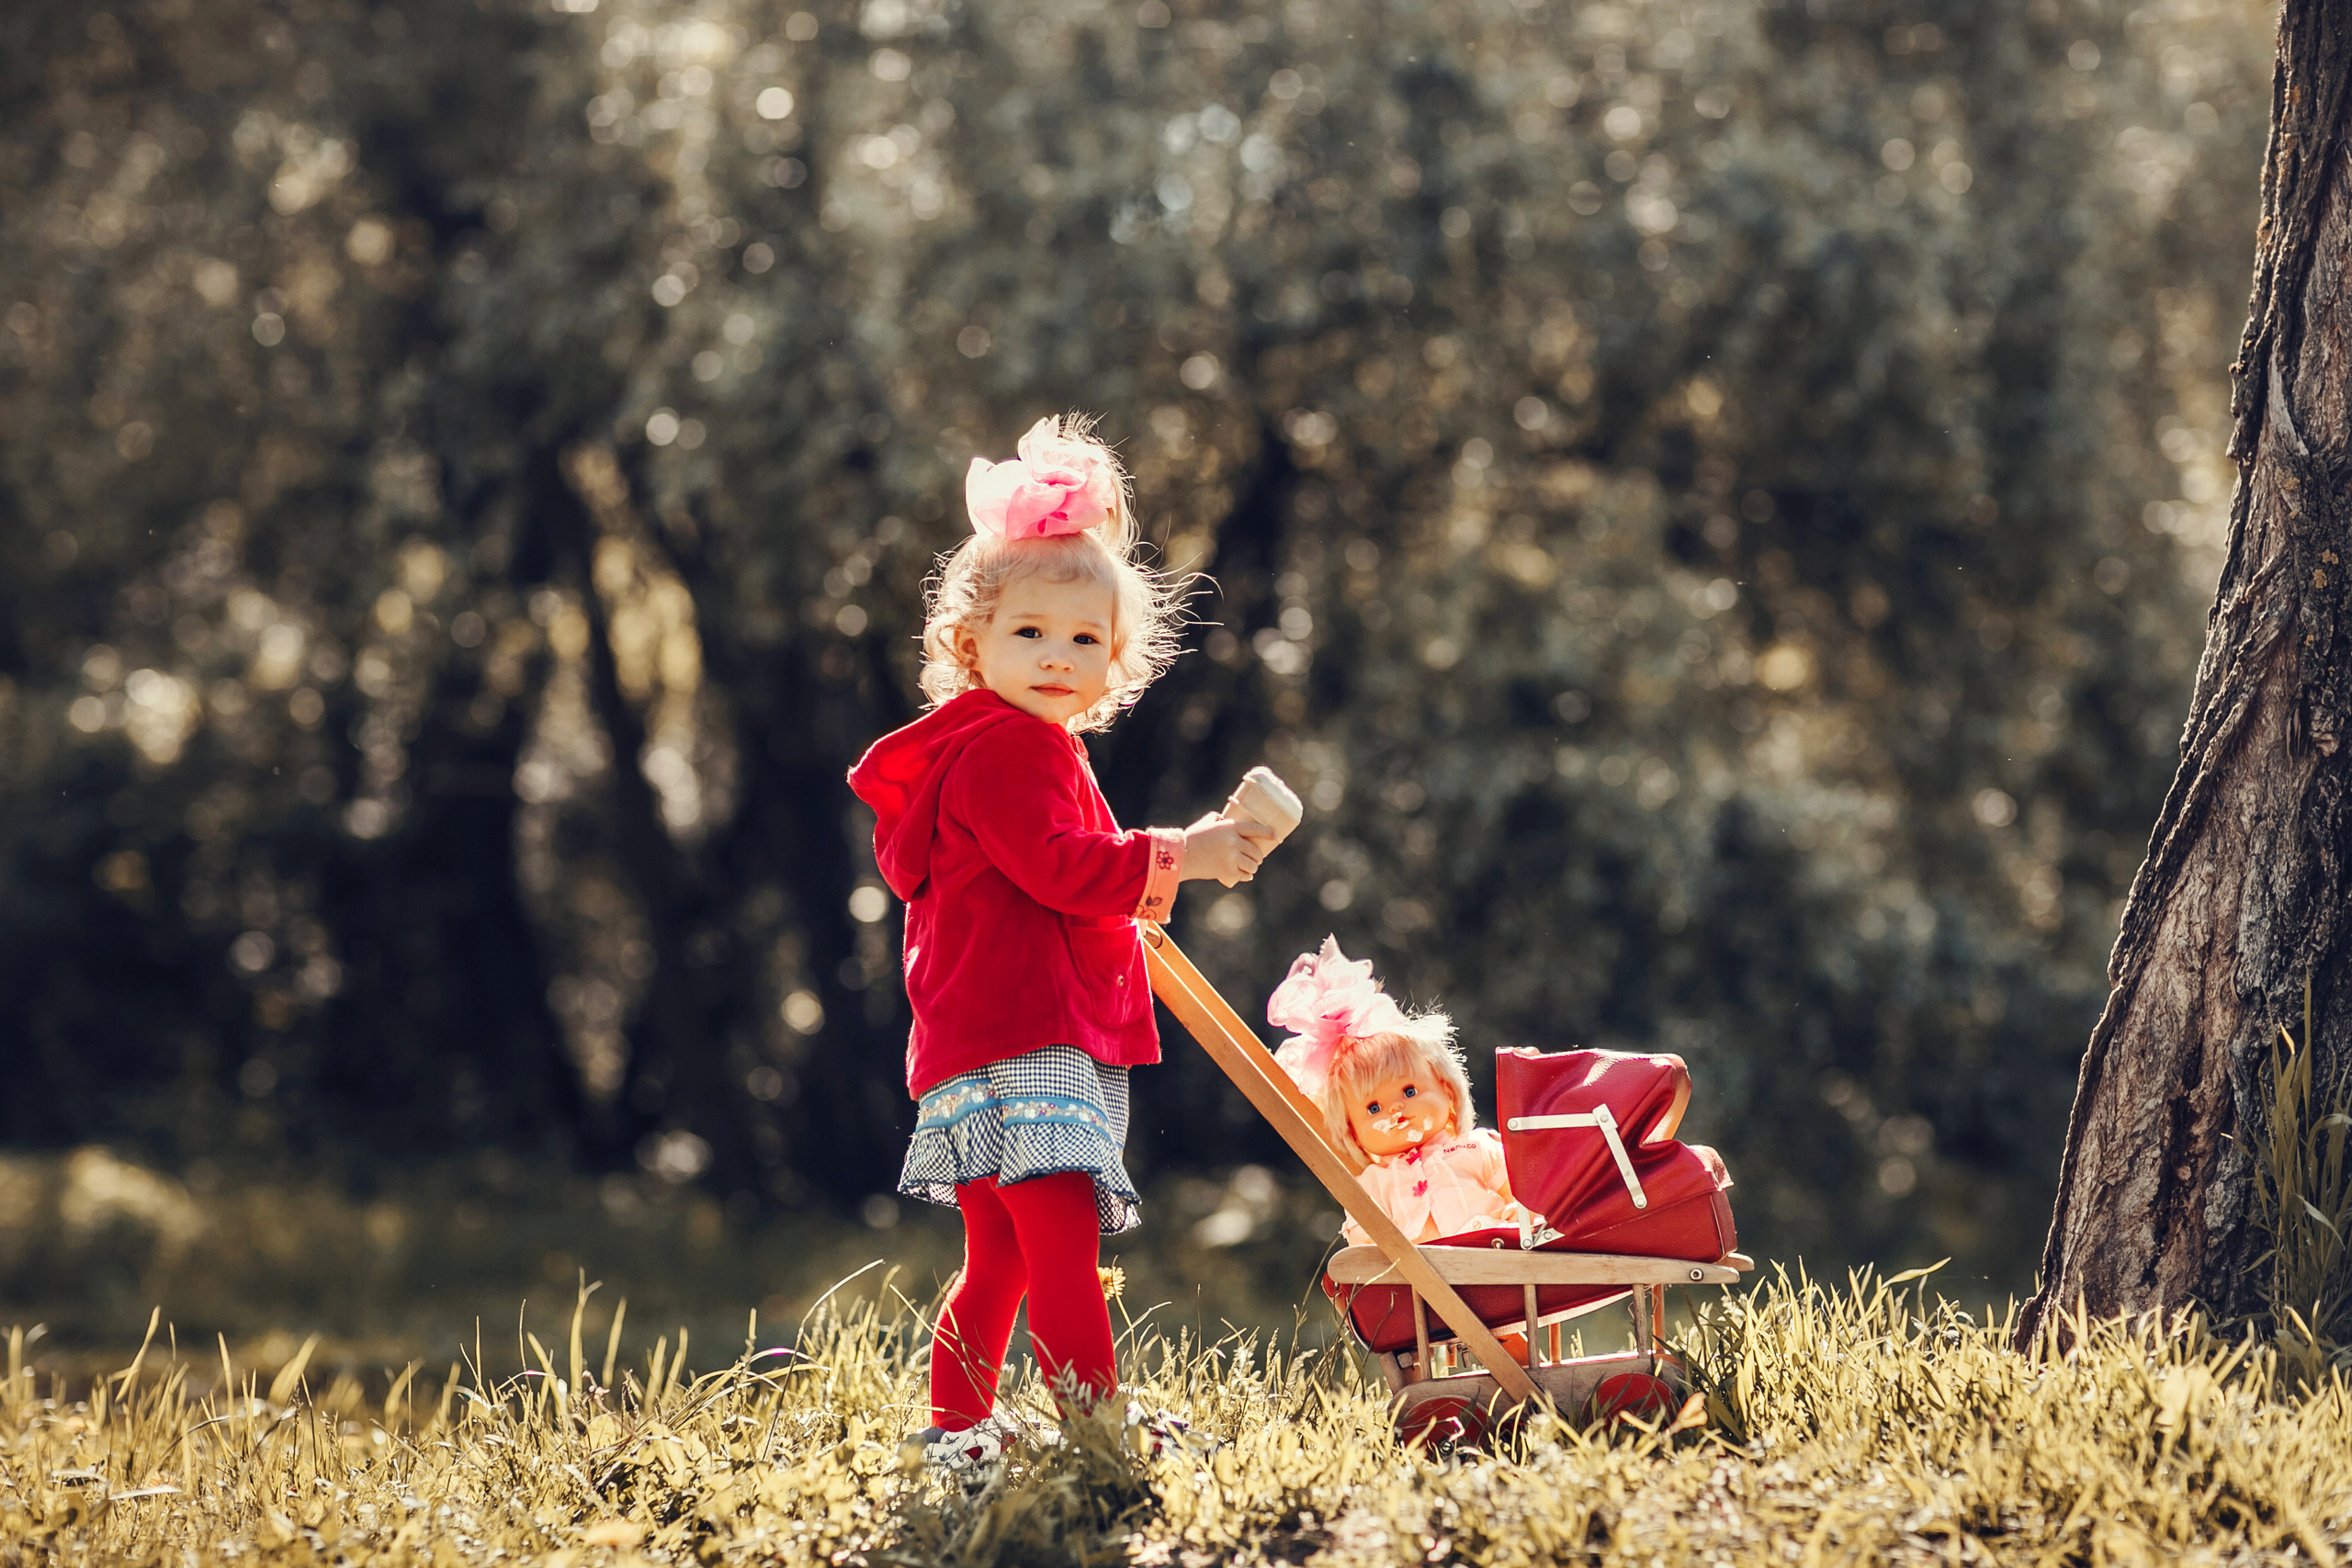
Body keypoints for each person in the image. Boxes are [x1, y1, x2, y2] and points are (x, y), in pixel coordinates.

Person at [848, 413, 1277, 1471]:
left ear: (1115, 662)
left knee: (997, 1253)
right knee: (1060, 1247)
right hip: (1027, 1036)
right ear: (972, 644)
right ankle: (1094, 1428)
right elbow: (1064, 870)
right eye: (1030, 633)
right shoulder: (1011, 750)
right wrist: (1184, 855)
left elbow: (1047, 880)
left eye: (1084, 640)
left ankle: (956, 1433)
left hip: (977, 1034)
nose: (1057, 657)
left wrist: (1143, 883)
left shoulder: (982, 748)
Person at [1269, 937, 1529, 1248]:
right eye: (1373, 1108)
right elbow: (1363, 1244)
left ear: (1446, 1089)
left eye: (1409, 1090)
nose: (1394, 1109)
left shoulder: (1475, 1149)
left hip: (1495, 1263)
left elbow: (1519, 1193)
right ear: (1353, 1132)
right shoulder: (1375, 1184)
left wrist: (1519, 1214)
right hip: (1420, 1289)